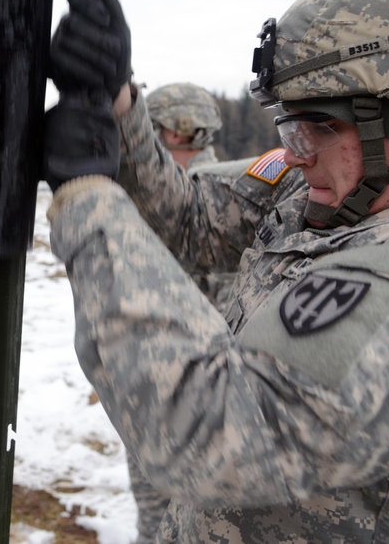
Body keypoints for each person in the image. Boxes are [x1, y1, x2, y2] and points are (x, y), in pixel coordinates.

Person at [43, 0, 389, 543]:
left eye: (316, 127)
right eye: (289, 127)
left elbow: (213, 433)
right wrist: (120, 107)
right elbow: (192, 221)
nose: (296, 152)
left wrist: (85, 199)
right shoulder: (327, 184)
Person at [127, 81, 235, 543]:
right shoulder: (153, 190)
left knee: (187, 509)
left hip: (196, 391)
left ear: (174, 132)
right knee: (152, 499)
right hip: (149, 376)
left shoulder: (221, 197)